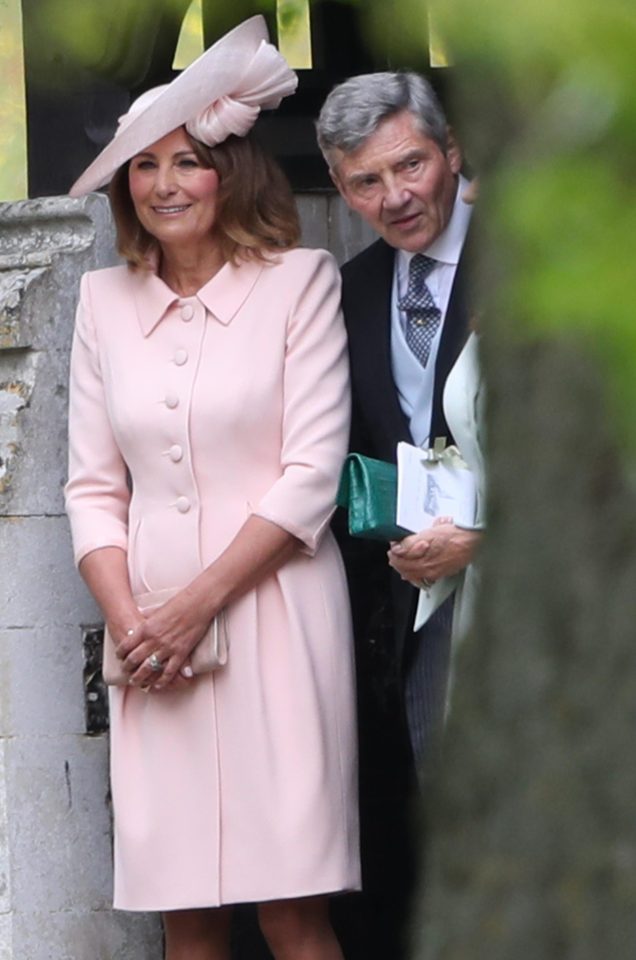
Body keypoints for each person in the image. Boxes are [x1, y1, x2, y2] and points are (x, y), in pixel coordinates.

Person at [65, 17, 359, 960]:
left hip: (277, 613)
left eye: (186, 161)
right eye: (142, 167)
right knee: (185, 911)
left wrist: (194, 607)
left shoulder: (301, 282)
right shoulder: (102, 303)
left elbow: (312, 473)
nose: (163, 185)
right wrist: (136, 624)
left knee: (293, 907)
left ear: (229, 172)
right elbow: (90, 488)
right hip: (149, 639)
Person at [316, 72, 485, 958]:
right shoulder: (346, 291)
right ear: (340, 190)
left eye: (410, 164)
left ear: (450, 151)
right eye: (366, 182)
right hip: (401, 623)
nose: (397, 196)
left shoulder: (536, 261)